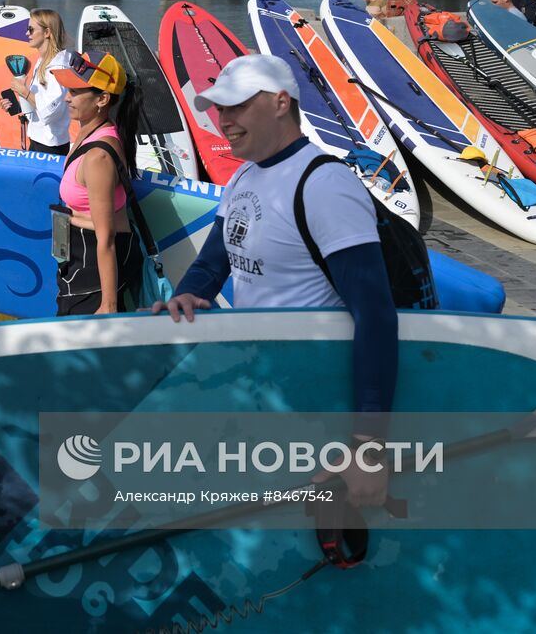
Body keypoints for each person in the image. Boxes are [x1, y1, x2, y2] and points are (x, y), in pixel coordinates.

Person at [150, 54, 398, 507]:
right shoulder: (244, 175)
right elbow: (214, 263)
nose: (223, 120)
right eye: (219, 109)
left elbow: (376, 315)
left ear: (281, 102)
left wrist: (368, 444)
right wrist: (189, 294)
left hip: (314, 394)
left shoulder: (325, 184)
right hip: (261, 384)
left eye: (237, 106)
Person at [50, 52, 145, 316]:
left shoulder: (98, 156)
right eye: (68, 89)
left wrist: (108, 305)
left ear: (102, 99)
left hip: (96, 262)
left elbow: (107, 237)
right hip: (80, 253)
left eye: (76, 91)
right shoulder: (85, 133)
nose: (67, 97)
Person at [6, 9, 77, 155]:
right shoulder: (43, 61)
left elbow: (50, 112)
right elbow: (40, 103)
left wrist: (24, 92)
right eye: (27, 29)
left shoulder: (58, 67)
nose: (27, 34)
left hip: (51, 146)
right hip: (38, 140)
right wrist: (15, 105)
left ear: (47, 33)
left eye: (31, 30)